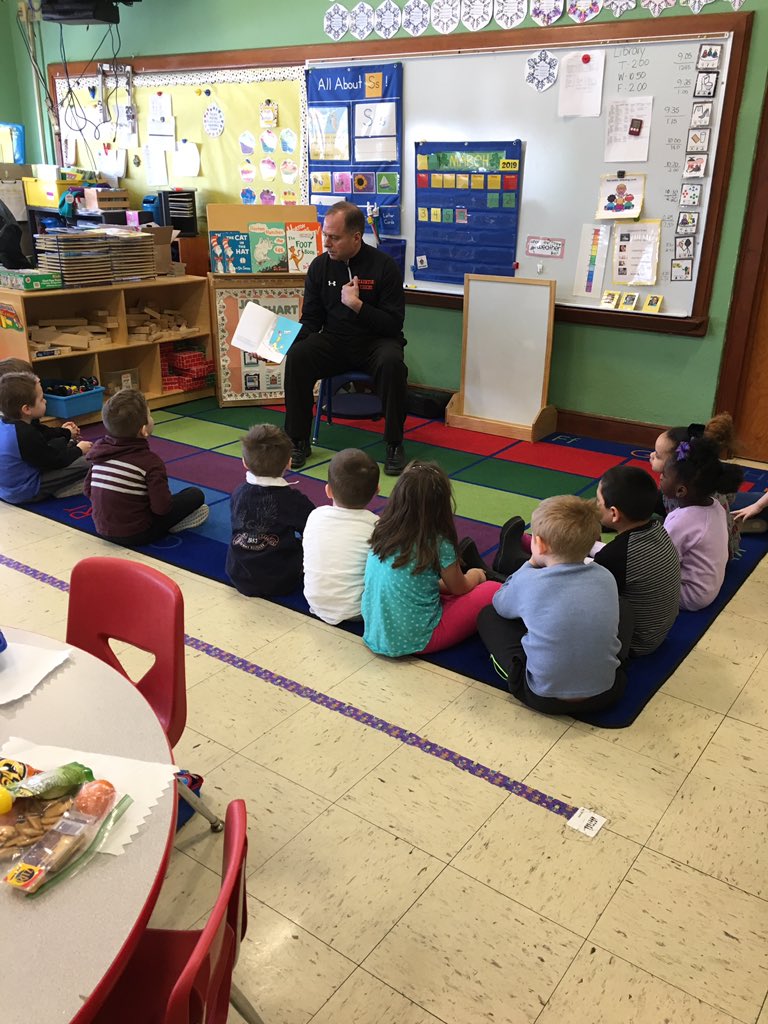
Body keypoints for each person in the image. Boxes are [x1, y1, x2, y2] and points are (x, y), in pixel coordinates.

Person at [283, 201, 409, 477]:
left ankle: (394, 444)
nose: (327, 242)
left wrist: (357, 306)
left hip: (376, 342)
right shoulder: (319, 267)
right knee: (298, 357)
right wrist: (278, 345)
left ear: (355, 237)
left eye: (334, 237)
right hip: (335, 341)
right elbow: (311, 321)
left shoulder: (384, 266)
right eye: (324, 234)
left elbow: (393, 324)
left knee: (392, 363)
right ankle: (298, 439)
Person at [477, 495, 626, 716]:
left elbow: (500, 605)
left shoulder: (530, 580)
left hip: (544, 697)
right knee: (617, 606)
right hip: (608, 691)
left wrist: (529, 564)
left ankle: (501, 566)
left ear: (540, 544)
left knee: (487, 616)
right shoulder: (606, 576)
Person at [361, 461, 500, 656]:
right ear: (441, 504)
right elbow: (460, 588)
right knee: (492, 589)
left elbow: (414, 583)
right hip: (415, 639)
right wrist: (476, 576)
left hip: (376, 631)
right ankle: (482, 570)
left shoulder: (382, 529)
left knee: (429, 585)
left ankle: (466, 568)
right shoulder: (437, 542)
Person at [84, 388, 208, 545]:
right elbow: (161, 509)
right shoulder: (149, 462)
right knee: (194, 494)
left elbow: (88, 491)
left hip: (102, 528)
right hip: (138, 533)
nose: (151, 417)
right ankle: (175, 524)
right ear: (143, 430)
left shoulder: (99, 453)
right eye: (150, 415)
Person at [593, 465, 681, 656]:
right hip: (658, 632)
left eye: (599, 501)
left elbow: (588, 595)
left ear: (614, 514)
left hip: (632, 643)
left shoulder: (616, 555)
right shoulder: (658, 528)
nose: (595, 505)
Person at [227, 422, 315, 597]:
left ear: (244, 462)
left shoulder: (238, 492)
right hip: (279, 580)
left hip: (238, 574)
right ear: (289, 462)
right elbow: (314, 529)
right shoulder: (292, 500)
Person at [660, 436, 740, 612]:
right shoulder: (716, 506)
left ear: (681, 490)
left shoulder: (681, 522)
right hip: (708, 587)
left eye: (664, 476)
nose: (660, 477)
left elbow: (659, 564)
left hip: (690, 595)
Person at [303, 448, 380, 625]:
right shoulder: (376, 525)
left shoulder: (315, 515)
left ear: (328, 490)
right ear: (376, 491)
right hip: (356, 611)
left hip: (315, 601)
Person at [649, 414, 745, 552]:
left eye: (657, 455)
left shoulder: (682, 500)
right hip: (724, 537)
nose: (651, 455)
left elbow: (667, 553)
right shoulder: (706, 478)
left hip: (712, 551)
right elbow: (730, 496)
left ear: (677, 462)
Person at [0, 371, 91, 504]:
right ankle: (65, 489)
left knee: (60, 443)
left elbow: (43, 434)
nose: (46, 401)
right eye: (42, 399)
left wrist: (65, 432)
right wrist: (79, 450)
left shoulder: (10, 422)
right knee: (90, 460)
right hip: (25, 490)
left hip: (8, 487)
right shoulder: (24, 433)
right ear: (26, 409)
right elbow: (56, 461)